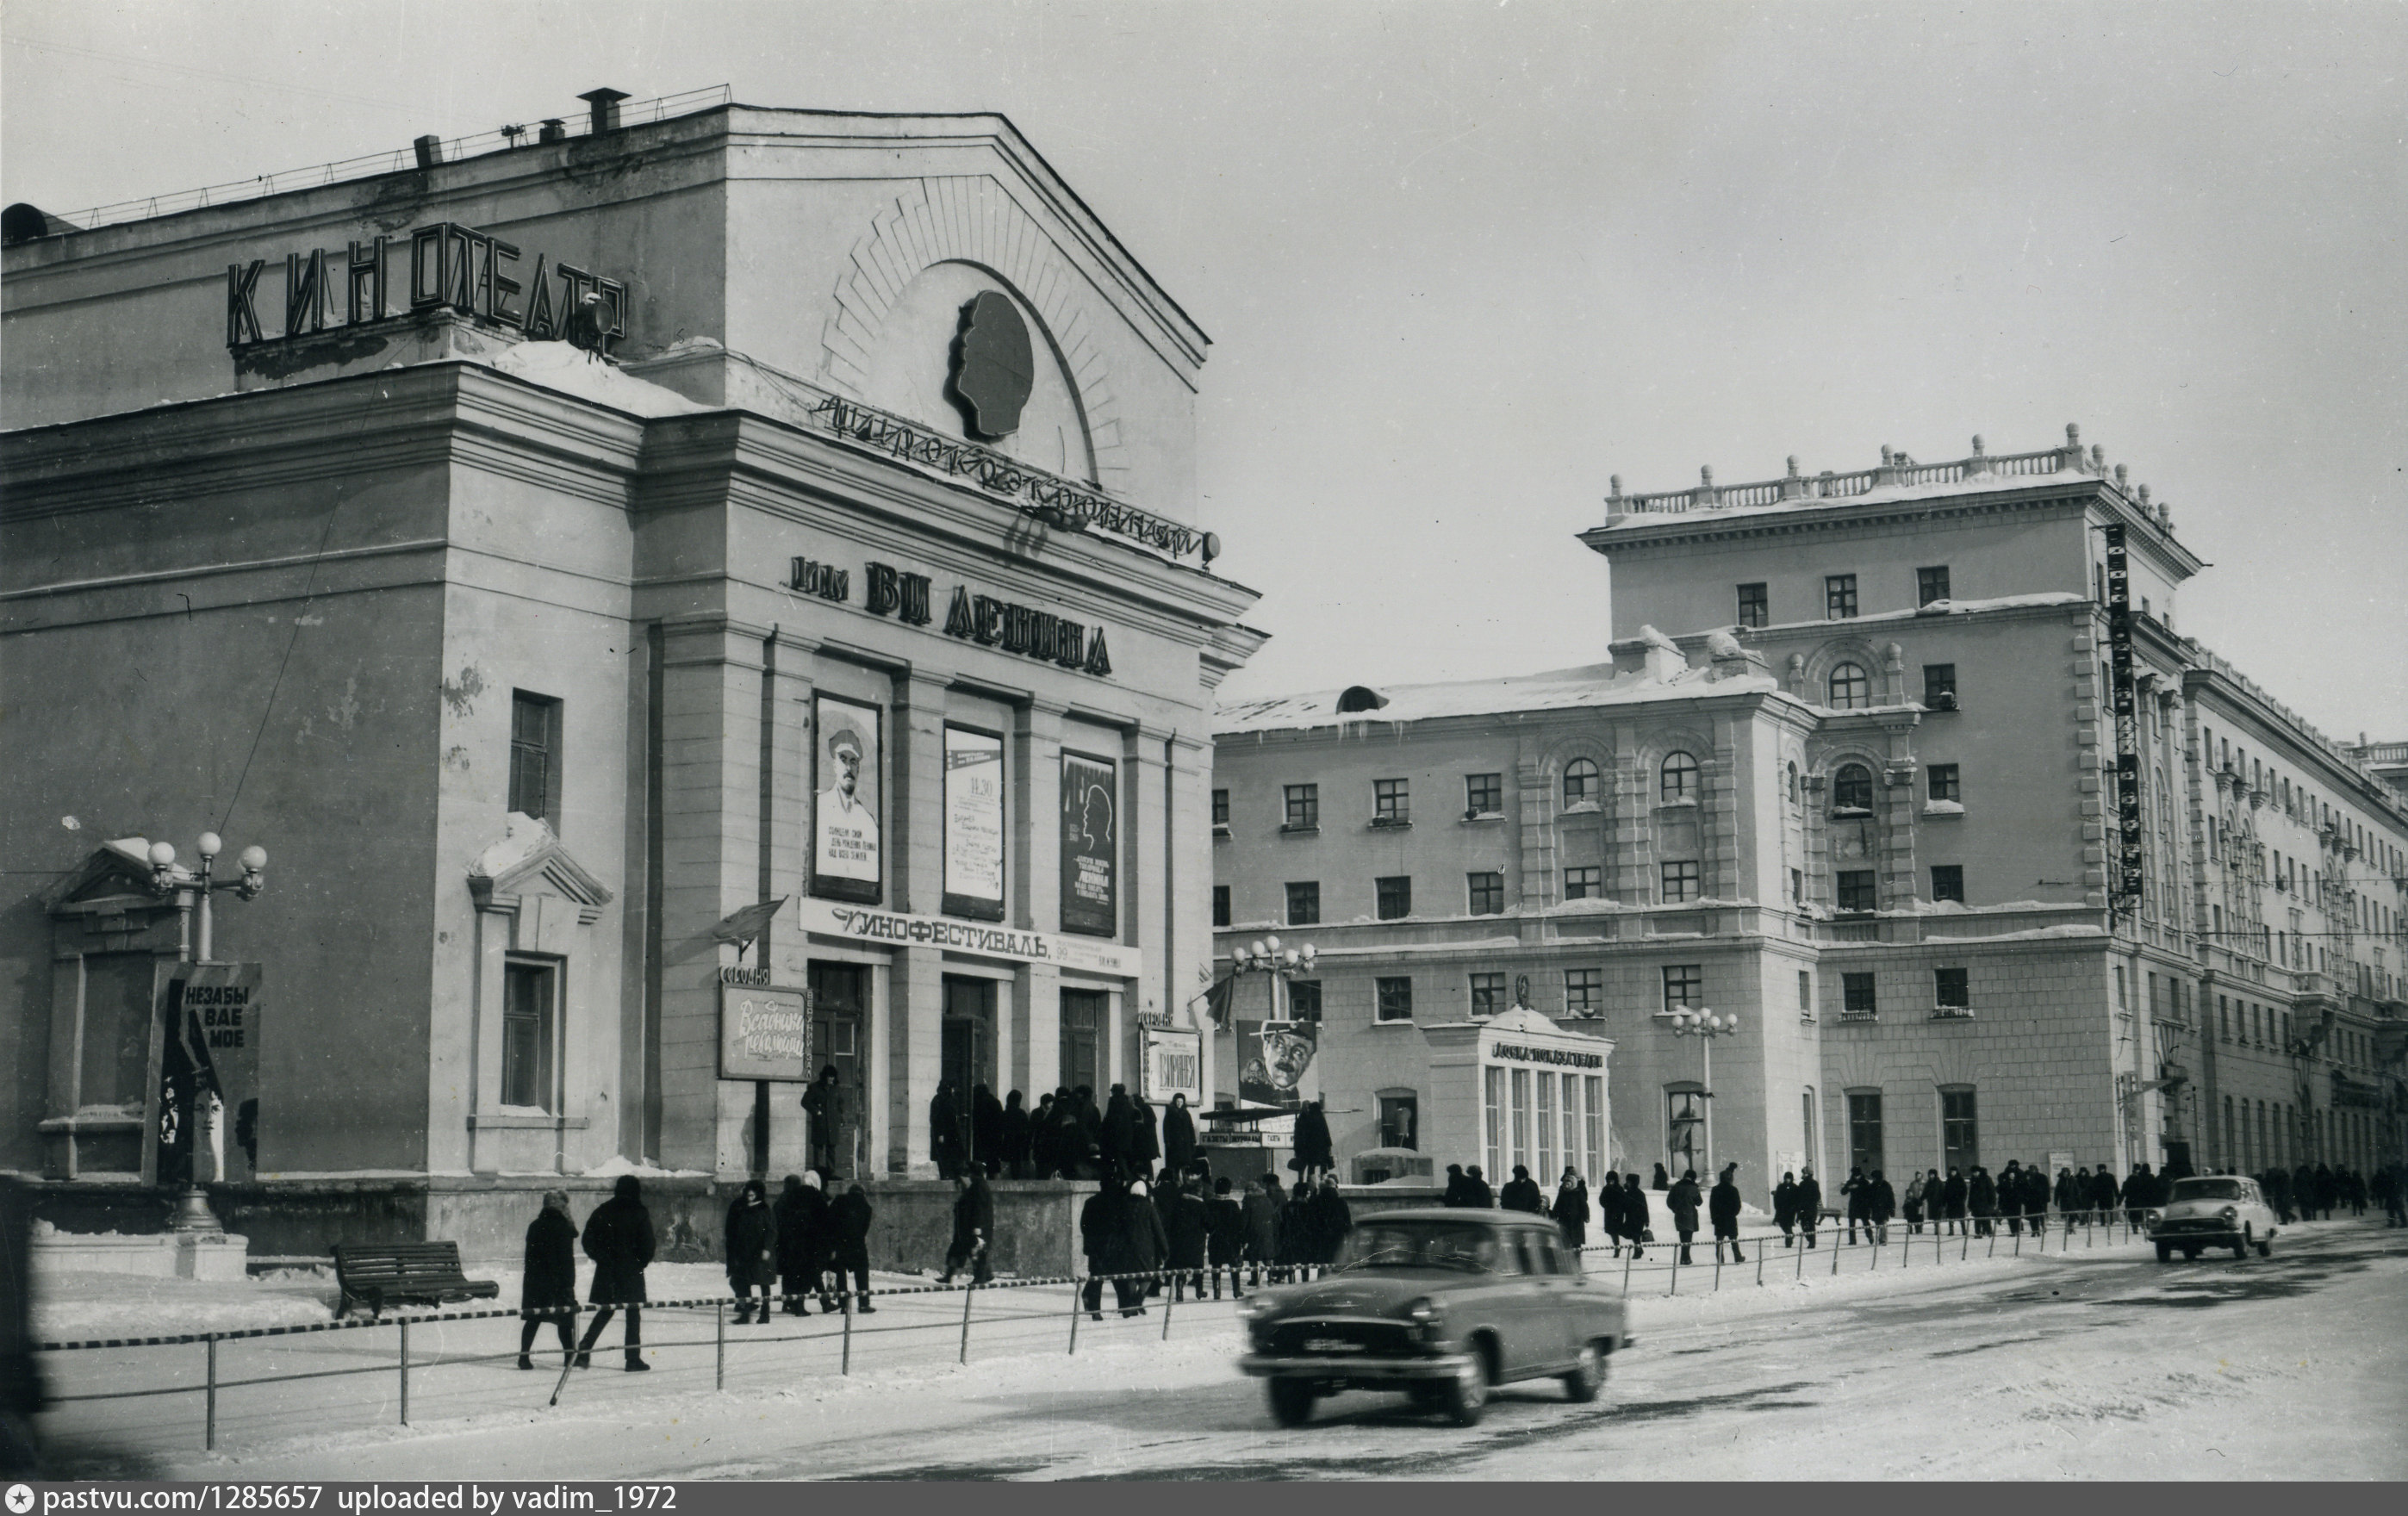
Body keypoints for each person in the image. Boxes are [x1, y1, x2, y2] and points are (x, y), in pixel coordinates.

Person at [576, 1174, 654, 1370]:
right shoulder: (639, 1212)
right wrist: (639, 1263)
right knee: (633, 1314)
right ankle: (632, 1358)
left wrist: (601, 1258)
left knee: (605, 1311)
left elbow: (588, 1240)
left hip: (607, 1271)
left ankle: (584, 1349)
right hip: (631, 1271)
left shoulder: (603, 1210)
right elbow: (648, 1244)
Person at [516, 1189, 578, 1370]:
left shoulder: (535, 1225)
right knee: (565, 1320)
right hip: (559, 1281)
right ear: (562, 1207)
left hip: (536, 1281)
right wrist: (568, 1282)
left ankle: (524, 1356)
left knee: (533, 1319)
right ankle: (568, 1357)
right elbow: (566, 1259)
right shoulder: (563, 1227)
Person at [725, 1178, 777, 1323]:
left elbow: (772, 1232)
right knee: (740, 1283)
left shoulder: (765, 1210)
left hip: (761, 1254)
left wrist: (767, 1248)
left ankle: (765, 1314)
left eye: (753, 1193)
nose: (750, 1194)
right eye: (748, 1192)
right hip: (745, 1253)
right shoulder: (743, 1209)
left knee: (763, 1284)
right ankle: (745, 1314)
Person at [1114, 1177, 1170, 1314]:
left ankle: (1132, 1303)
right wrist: (1165, 1250)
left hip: (1127, 1247)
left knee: (1131, 1275)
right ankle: (1138, 1299)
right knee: (1148, 1275)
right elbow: (1158, 1230)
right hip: (1146, 1247)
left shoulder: (1123, 1206)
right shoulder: (1149, 1207)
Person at [774, 1172, 824, 1315]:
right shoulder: (800, 1199)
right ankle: (798, 1305)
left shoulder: (784, 1199)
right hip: (800, 1244)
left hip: (787, 1244)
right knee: (805, 1275)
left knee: (791, 1275)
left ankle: (789, 1302)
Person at [940, 1170, 994, 1285]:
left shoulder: (977, 1188)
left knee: (976, 1252)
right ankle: (949, 1275)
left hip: (971, 1228)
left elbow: (978, 1210)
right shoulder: (972, 1189)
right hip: (963, 1229)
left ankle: (982, 1276)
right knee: (957, 1252)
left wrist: (977, 1226)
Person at [800, 1065, 854, 1179]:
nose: (831, 1080)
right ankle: (818, 1174)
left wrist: (841, 1117)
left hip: (833, 1124)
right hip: (820, 1124)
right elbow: (805, 1102)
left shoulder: (837, 1088)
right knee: (818, 1150)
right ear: (824, 1077)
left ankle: (831, 1173)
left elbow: (841, 1103)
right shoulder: (814, 1088)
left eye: (833, 1077)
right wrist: (816, 1112)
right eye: (829, 1077)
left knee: (831, 1149)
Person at [1160, 1177, 1210, 1300]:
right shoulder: (1201, 1205)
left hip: (1179, 1241)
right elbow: (1209, 1224)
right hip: (1196, 1242)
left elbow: (1169, 1221)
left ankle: (1179, 1293)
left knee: (1180, 1267)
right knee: (1198, 1267)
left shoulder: (1178, 1203)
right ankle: (1199, 1291)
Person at [830, 1182, 875, 1312]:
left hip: (840, 1243)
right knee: (862, 1274)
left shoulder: (839, 1200)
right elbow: (864, 1230)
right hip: (857, 1245)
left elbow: (830, 1221)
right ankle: (864, 1304)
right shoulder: (866, 1207)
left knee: (841, 1275)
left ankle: (843, 1305)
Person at [1080, 1178, 1118, 1320]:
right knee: (1105, 1276)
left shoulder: (1090, 1202)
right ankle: (1095, 1310)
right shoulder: (1116, 1203)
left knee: (1097, 1276)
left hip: (1095, 1246)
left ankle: (1090, 1301)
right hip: (1110, 1245)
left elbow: (1084, 1225)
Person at [1207, 1177, 1248, 1297]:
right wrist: (1243, 1240)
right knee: (1234, 1266)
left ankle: (1217, 1291)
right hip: (1232, 1240)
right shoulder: (1233, 1204)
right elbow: (1239, 1224)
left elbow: (1207, 1222)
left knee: (1216, 1266)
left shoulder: (1210, 1203)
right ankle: (1236, 1290)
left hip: (1215, 1239)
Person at [1244, 1174, 1284, 1286]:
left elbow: (1244, 1219)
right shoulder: (1267, 1200)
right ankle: (1270, 1277)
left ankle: (1254, 1278)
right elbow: (1274, 1217)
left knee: (1253, 1258)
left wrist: (1242, 1233)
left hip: (1253, 1232)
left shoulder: (1248, 1200)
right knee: (1267, 1256)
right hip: (1267, 1231)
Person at [1310, 1176, 1353, 1268]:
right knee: (1336, 1259)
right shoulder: (1340, 1201)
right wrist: (1349, 1233)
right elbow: (1347, 1220)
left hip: (1321, 1236)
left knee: (1322, 1262)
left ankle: (1322, 1277)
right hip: (1338, 1235)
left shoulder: (1316, 1201)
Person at [1708, 1165, 1745, 1264]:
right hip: (1730, 1218)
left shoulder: (1715, 1190)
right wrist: (1733, 1214)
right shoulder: (1733, 1190)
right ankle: (1738, 1257)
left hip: (1719, 1219)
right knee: (1734, 1240)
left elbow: (1712, 1205)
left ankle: (1720, 1259)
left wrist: (1714, 1217)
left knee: (1719, 1241)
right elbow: (1738, 1205)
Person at [930, 1083, 966, 1181]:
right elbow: (937, 1118)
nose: (953, 1091)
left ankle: (952, 1176)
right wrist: (941, 1133)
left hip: (951, 1134)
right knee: (945, 1157)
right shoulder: (939, 1100)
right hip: (945, 1134)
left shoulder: (949, 1100)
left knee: (952, 1157)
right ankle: (948, 1176)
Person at [1291, 1100, 1334, 1183]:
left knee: (1309, 1167)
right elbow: (1326, 1133)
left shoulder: (1304, 1119)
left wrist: (1297, 1149)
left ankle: (1307, 1184)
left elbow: (1299, 1136)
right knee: (1322, 1167)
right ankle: (1323, 1183)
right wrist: (1328, 1146)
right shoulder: (1321, 1118)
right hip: (1322, 1149)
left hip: (1308, 1149)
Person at [1669, 1168, 1702, 1265]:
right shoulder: (1693, 1188)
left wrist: (1675, 1209)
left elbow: (1669, 1201)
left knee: (1682, 1236)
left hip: (1679, 1216)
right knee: (1688, 1237)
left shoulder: (1676, 1187)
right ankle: (1685, 1258)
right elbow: (1699, 1202)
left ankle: (1685, 1257)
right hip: (1690, 1216)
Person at [971, 1084, 1005, 1179]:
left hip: (980, 1137)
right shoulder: (995, 1102)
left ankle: (980, 1181)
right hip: (994, 1137)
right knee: (994, 1163)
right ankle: (995, 1184)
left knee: (978, 1161)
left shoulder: (976, 1102)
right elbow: (1001, 1121)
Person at [1162, 1093, 1198, 1180]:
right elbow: (1166, 1128)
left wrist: (1193, 1139)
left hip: (1185, 1143)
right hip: (1175, 1143)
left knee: (1185, 1165)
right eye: (1178, 1101)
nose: (1179, 1103)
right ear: (1175, 1102)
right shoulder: (1170, 1113)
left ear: (1183, 1102)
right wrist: (1167, 1141)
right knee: (1175, 1165)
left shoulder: (1186, 1113)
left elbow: (1190, 1127)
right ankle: (1176, 1182)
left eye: (1181, 1102)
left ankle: (1186, 1182)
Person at [1555, 1168, 1590, 1250]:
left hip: (1576, 1221)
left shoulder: (1578, 1193)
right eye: (1566, 1184)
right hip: (1564, 1220)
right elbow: (1557, 1205)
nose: (1567, 1185)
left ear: (1573, 1184)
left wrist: (1586, 1217)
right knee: (1565, 1241)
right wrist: (1554, 1215)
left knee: (1576, 1242)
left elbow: (1584, 1206)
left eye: (1569, 1184)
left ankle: (1577, 1258)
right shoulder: (1563, 1194)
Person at [1000, 1090, 1032, 1180]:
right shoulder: (1021, 1113)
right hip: (1019, 1142)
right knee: (1017, 1163)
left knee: (1008, 1163)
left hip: (1007, 1141)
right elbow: (1027, 1128)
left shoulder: (1005, 1113)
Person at [1621, 1172, 1650, 1259]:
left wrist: (1646, 1220)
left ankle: (1638, 1251)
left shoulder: (1634, 1193)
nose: (1627, 1183)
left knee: (1636, 1236)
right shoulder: (1636, 1193)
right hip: (1633, 1218)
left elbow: (1644, 1207)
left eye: (1628, 1182)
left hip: (1637, 1218)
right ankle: (1639, 1250)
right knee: (1634, 1235)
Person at [1866, 1169, 1895, 1246]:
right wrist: (1869, 1207)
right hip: (1876, 1209)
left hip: (1884, 1208)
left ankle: (1883, 1240)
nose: (1872, 1179)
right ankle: (1880, 1239)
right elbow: (1869, 1198)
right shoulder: (1872, 1186)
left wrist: (1892, 1209)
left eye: (1873, 1178)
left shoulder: (1886, 1185)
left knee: (1883, 1224)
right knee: (1878, 1224)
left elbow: (1891, 1198)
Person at [1795, 1166, 1822, 1248]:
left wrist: (1810, 1202)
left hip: (1810, 1208)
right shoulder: (1802, 1184)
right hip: (1804, 1208)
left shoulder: (1813, 1183)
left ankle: (1812, 1242)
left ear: (1807, 1174)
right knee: (1804, 1225)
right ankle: (1810, 1240)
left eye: (1804, 1173)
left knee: (1810, 1225)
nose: (1803, 1175)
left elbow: (1817, 1196)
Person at [1841, 1165, 1869, 1244]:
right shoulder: (1851, 1181)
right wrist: (1849, 1187)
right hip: (1854, 1204)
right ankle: (1852, 1240)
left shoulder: (1864, 1182)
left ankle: (1869, 1236)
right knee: (1852, 1223)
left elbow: (1868, 1192)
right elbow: (1843, 1192)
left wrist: (1858, 1187)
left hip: (1863, 1204)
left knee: (1865, 1221)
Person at [1773, 1171, 1800, 1247]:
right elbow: (1777, 1198)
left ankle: (1788, 1243)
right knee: (1782, 1224)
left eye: (1789, 1178)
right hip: (1781, 1209)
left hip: (1791, 1210)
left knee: (1788, 1225)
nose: (1787, 1180)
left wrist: (1795, 1208)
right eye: (1786, 1178)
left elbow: (1797, 1199)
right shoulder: (1781, 1186)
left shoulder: (1795, 1187)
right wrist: (1777, 1206)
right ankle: (1790, 1235)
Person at [1943, 1166, 1969, 1235]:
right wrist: (1946, 1200)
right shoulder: (1948, 1180)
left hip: (1959, 1202)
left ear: (1956, 1172)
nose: (1953, 1173)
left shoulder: (1961, 1180)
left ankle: (1964, 1230)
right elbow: (1946, 1191)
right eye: (1952, 1172)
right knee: (1951, 1217)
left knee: (1961, 1217)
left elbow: (1964, 1191)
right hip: (1951, 1202)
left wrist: (1963, 1199)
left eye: (1954, 1172)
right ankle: (1951, 1231)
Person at [1901, 1171, 1925, 1236]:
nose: (1918, 1177)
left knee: (1920, 1216)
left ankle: (1919, 1229)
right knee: (1913, 1216)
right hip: (1914, 1202)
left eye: (1919, 1175)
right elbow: (1910, 1192)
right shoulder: (1913, 1184)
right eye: (1917, 1175)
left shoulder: (1924, 1184)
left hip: (1921, 1202)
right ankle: (1911, 1229)